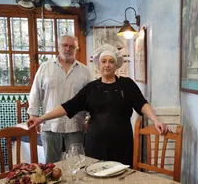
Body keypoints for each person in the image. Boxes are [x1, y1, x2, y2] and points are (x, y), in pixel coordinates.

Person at [28, 44, 169, 167]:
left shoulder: (127, 84)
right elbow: (68, 106)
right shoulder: (91, 88)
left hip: (122, 143)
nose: (107, 65)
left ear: (116, 65)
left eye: (111, 61)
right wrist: (40, 118)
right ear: (98, 65)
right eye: (103, 61)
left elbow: (142, 103)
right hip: (95, 144)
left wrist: (156, 120)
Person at [27, 34, 92, 163]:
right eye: (65, 45)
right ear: (59, 47)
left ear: (76, 49)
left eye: (72, 46)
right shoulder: (45, 67)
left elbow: (91, 98)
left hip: (75, 125)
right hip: (50, 126)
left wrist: (89, 119)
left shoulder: (85, 71)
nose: (68, 49)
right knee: (51, 165)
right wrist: (33, 115)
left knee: (76, 164)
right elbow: (35, 92)